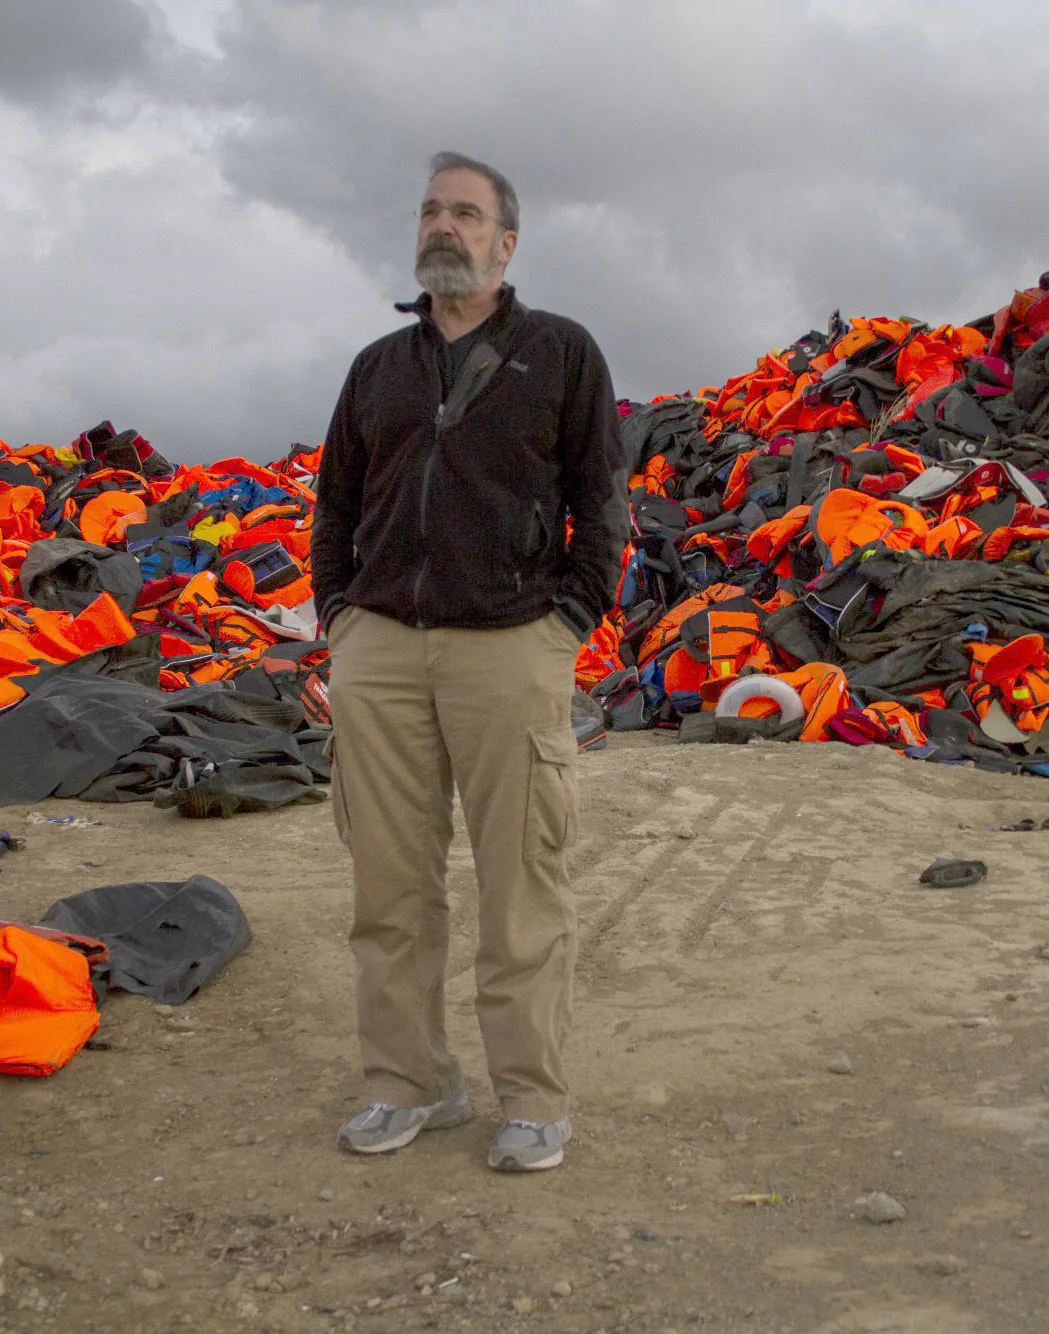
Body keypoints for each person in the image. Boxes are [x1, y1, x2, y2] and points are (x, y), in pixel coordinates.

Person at [311, 152, 629, 1171]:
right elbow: (334, 504)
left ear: (505, 242)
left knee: (520, 882)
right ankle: (410, 1084)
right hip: (383, 650)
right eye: (429, 211)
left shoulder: (561, 353)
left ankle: (532, 1097)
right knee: (389, 886)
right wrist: (338, 618)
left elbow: (601, 496)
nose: (441, 226)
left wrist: (567, 618)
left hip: (509, 649)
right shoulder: (376, 368)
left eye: (464, 212)